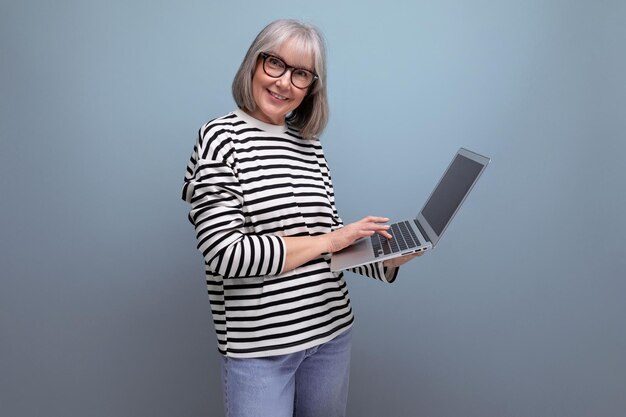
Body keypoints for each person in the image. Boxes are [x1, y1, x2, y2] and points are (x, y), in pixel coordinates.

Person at [182, 19, 421, 417]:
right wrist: (330, 240)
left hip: (330, 335)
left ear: (312, 86)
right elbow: (225, 255)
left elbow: (327, 245)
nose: (284, 82)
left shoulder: (309, 147)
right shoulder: (220, 138)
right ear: (254, 65)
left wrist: (386, 261)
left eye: (301, 74)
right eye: (275, 63)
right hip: (260, 349)